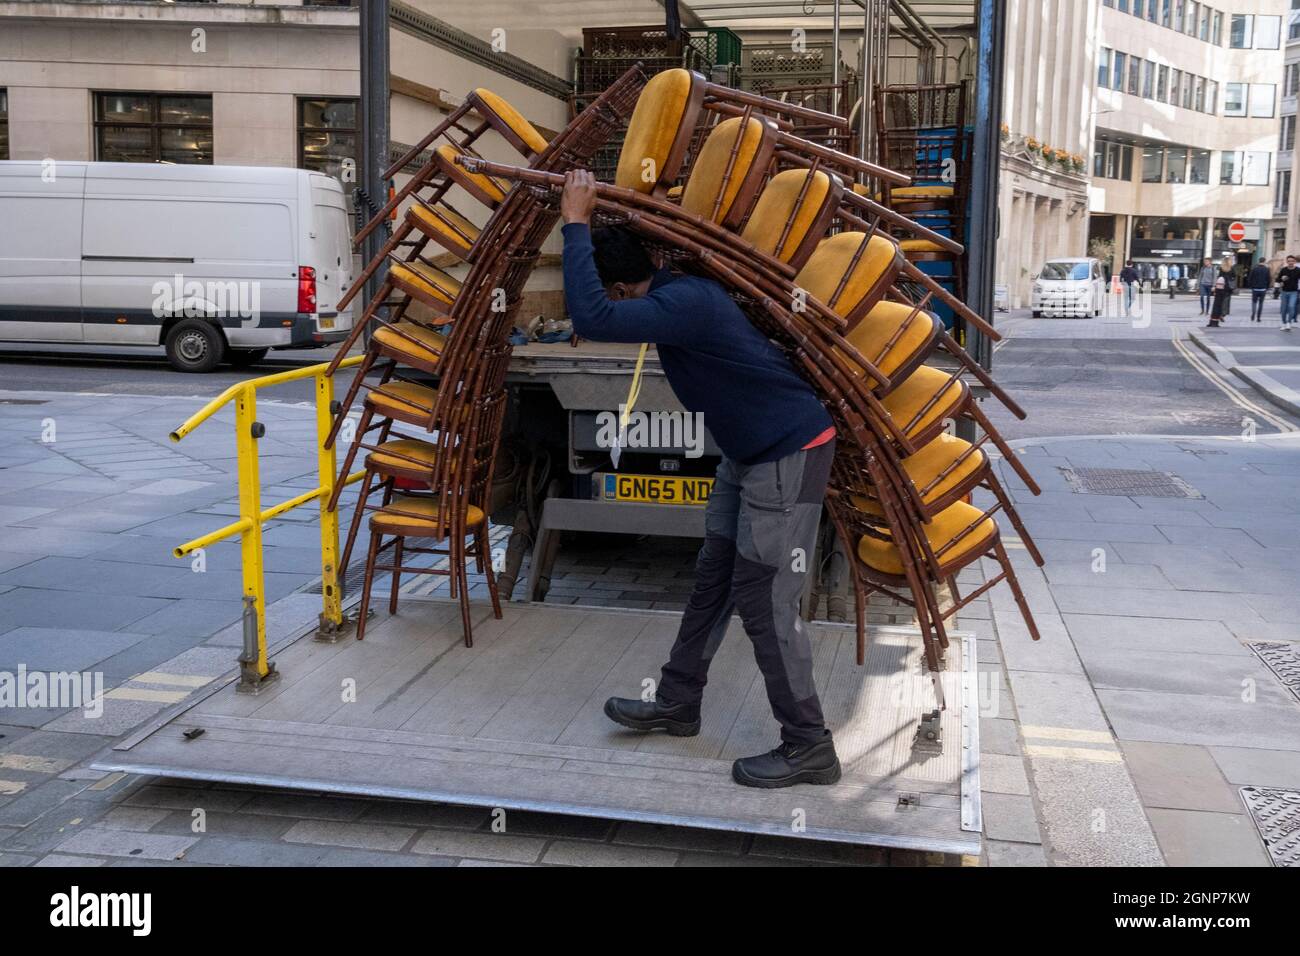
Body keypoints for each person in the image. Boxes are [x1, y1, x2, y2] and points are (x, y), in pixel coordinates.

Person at [558, 169, 842, 789]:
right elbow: (602, 315)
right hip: (746, 453)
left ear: (626, 289)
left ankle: (809, 746)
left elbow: (596, 317)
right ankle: (679, 702)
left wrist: (574, 222)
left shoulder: (682, 302)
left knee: (766, 598)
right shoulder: (674, 298)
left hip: (788, 448)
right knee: (715, 576)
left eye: (617, 297)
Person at [1277, 254, 1300, 331]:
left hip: (1294, 292)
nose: (1290, 262)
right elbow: (1277, 279)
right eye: (1289, 261)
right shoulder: (1283, 270)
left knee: (1291, 306)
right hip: (1284, 292)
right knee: (1283, 309)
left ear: (1295, 262)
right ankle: (1283, 323)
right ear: (1287, 261)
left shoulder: (1298, 270)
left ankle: (1289, 323)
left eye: (1292, 261)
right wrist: (1281, 279)